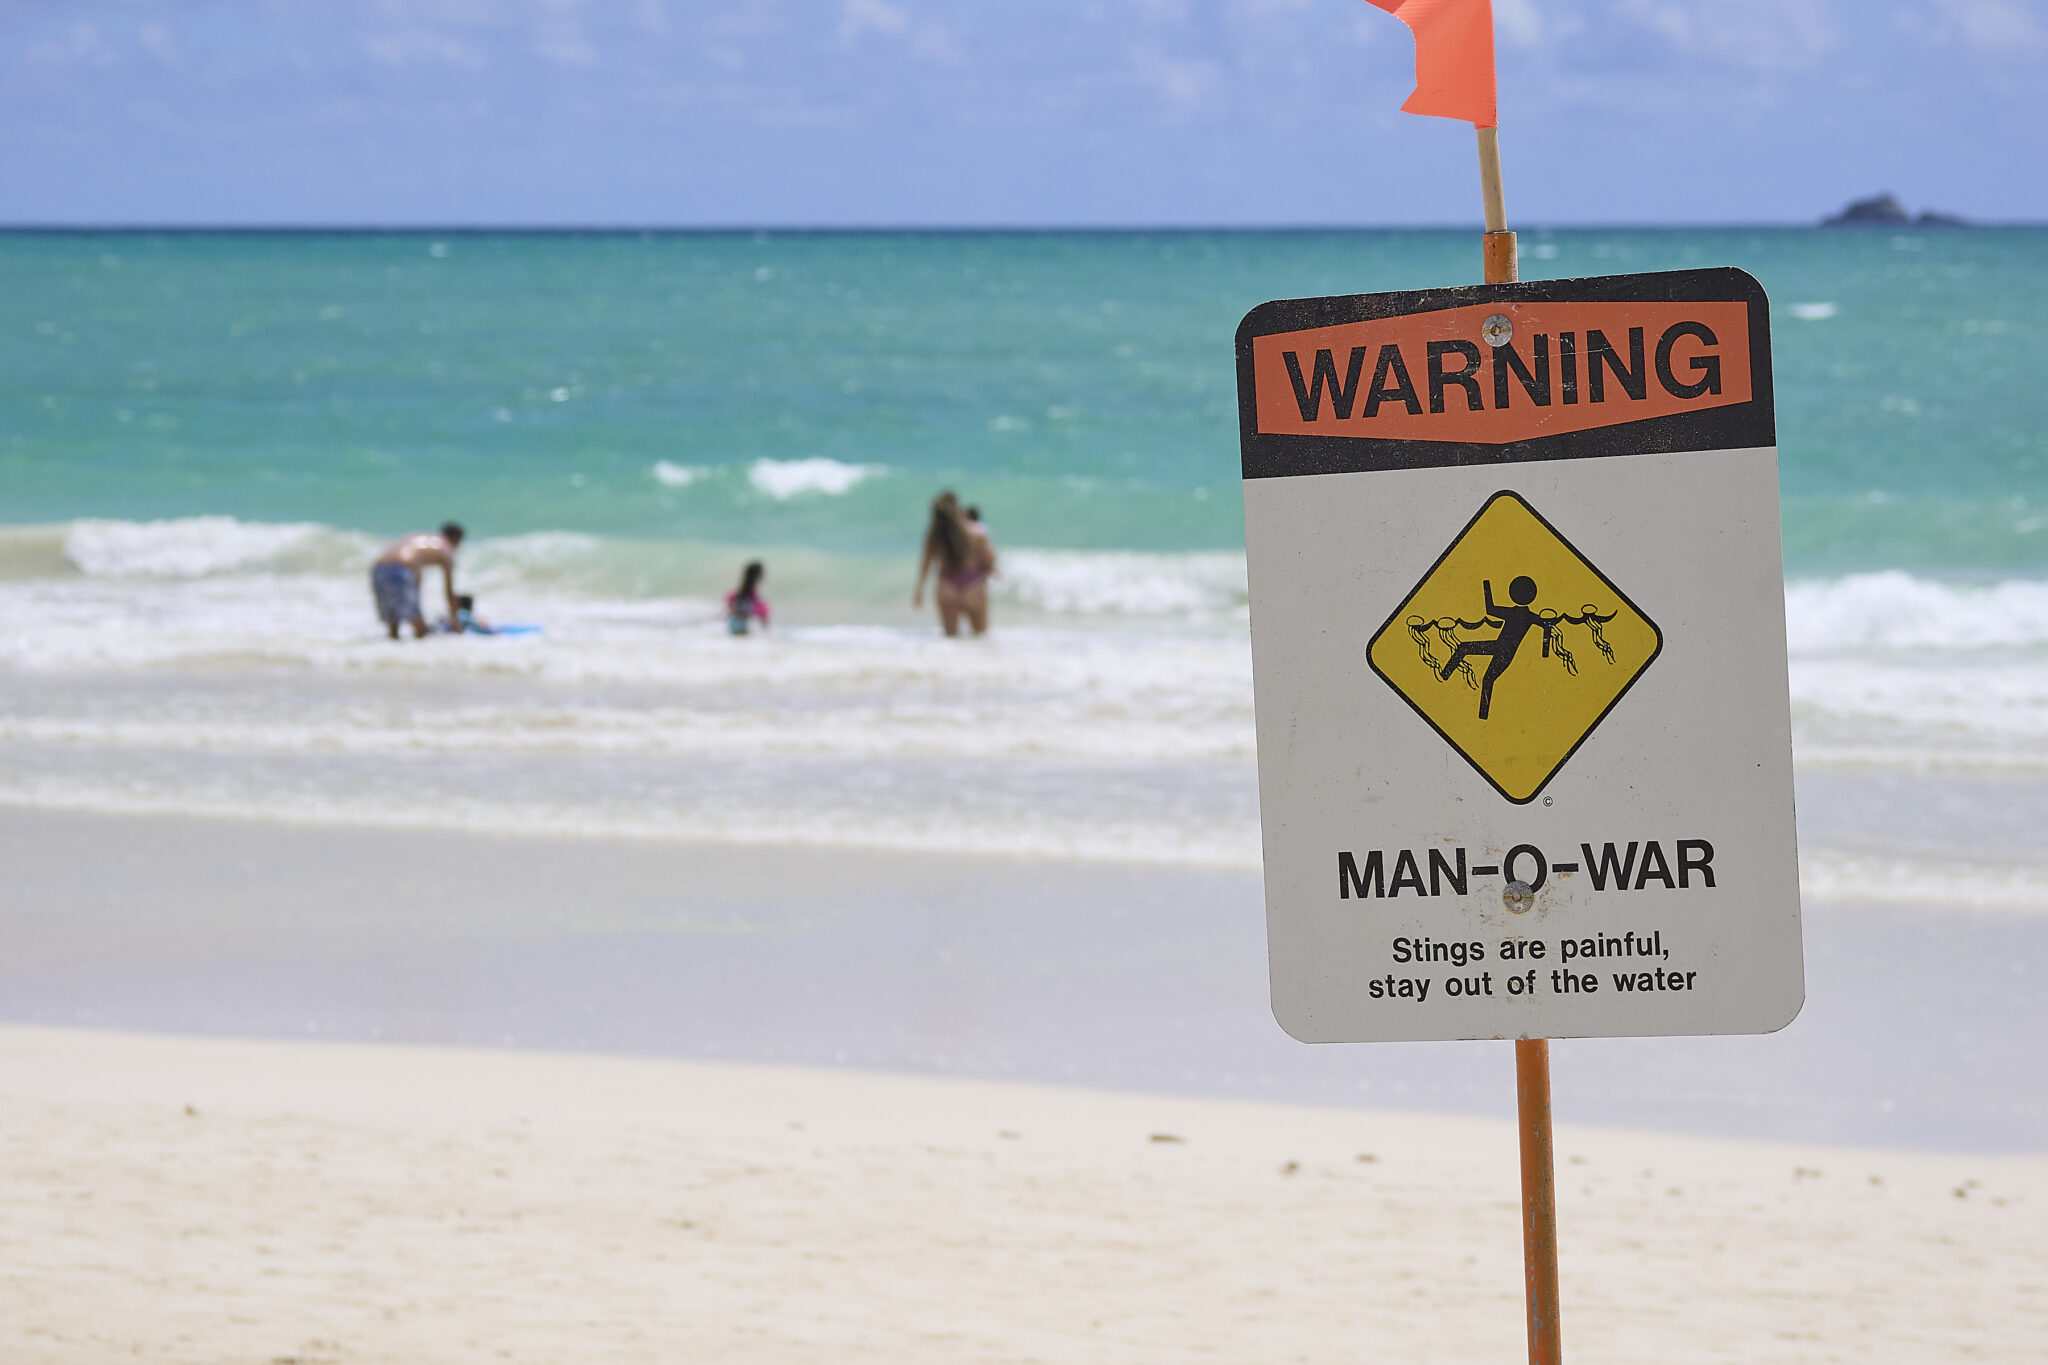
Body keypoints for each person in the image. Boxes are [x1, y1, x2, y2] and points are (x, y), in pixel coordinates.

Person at [912, 491, 995, 637]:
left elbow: (926, 565)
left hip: (947, 587)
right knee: (980, 637)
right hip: (973, 586)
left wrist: (919, 590)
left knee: (950, 638)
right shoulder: (976, 532)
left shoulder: (934, 537)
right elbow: (989, 559)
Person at [370, 523, 464, 640]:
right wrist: (455, 621)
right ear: (456, 540)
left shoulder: (421, 537)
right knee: (420, 628)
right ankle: (423, 656)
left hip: (378, 569)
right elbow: (449, 591)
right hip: (402, 569)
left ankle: (394, 652)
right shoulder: (446, 549)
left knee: (393, 625)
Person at [726, 560, 771, 635]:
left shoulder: (736, 593)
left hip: (733, 626)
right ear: (759, 575)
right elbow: (763, 616)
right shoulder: (755, 595)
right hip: (745, 628)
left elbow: (730, 610)